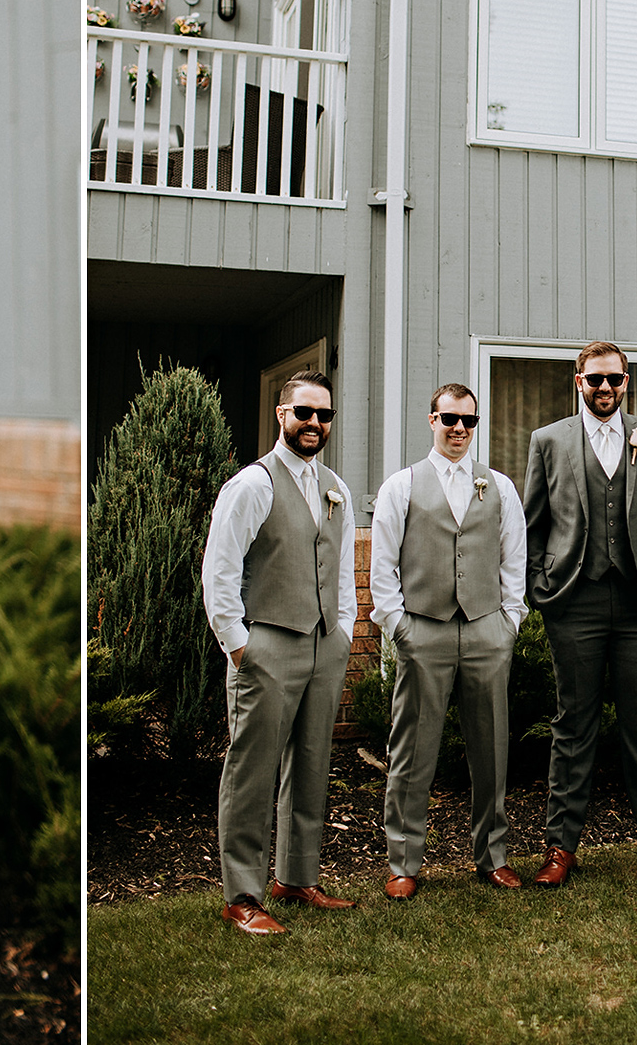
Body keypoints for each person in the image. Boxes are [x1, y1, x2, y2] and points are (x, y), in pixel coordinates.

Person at [521, 342, 637, 886]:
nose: (604, 389)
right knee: (574, 723)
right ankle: (560, 847)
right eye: (594, 380)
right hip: (575, 600)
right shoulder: (548, 441)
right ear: (578, 382)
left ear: (627, 381)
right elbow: (533, 523)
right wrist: (538, 586)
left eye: (614, 380)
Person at [200, 370, 358, 935]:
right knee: (252, 770)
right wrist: (241, 648)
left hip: (323, 644)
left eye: (325, 415)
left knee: (312, 764)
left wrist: (342, 629)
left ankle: (298, 877)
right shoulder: (252, 485)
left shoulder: (335, 486)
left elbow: (339, 569)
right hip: (265, 643)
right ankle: (242, 894)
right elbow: (219, 574)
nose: (315, 423)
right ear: (281, 414)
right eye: (305, 412)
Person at [369, 384, 527, 898]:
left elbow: (513, 561)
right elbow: (383, 567)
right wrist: (400, 629)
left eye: (469, 421)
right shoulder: (402, 485)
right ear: (431, 420)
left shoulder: (499, 486)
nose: (459, 429)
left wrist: (508, 623)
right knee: (413, 749)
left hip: (486, 628)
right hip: (425, 630)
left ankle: (493, 856)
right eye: (450, 419)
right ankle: (403, 864)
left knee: (492, 748)